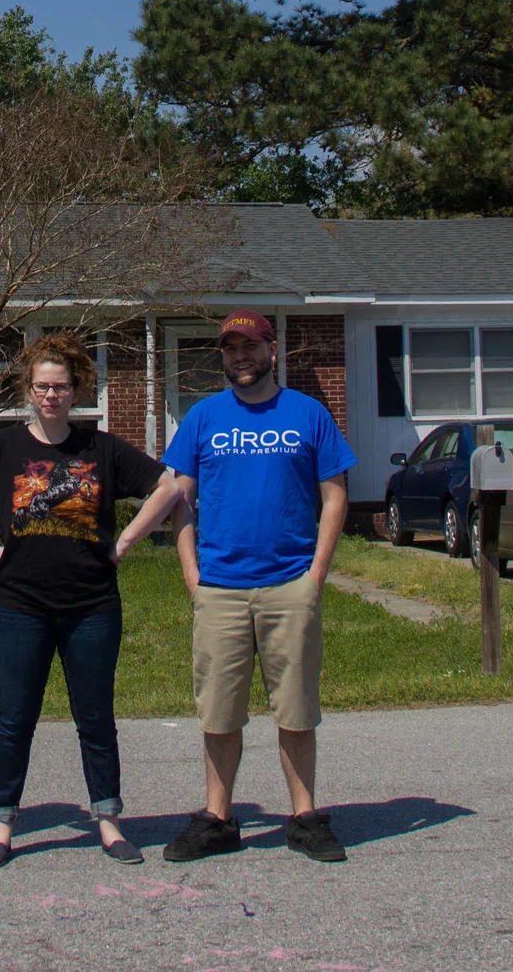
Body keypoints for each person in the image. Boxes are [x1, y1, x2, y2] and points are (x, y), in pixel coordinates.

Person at [114, 309, 353, 863]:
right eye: (230, 348)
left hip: (289, 584)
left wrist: (316, 575)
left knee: (295, 710)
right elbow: (178, 497)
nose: (240, 356)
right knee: (219, 712)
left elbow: (335, 494)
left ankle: (304, 818)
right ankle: (218, 818)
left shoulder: (308, 414)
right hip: (220, 588)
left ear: (273, 350)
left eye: (250, 346)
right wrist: (191, 574)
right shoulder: (204, 418)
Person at [0, 333, 162, 867]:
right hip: (20, 606)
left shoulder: (100, 448)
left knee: (95, 718)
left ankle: (109, 822)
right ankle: (2, 826)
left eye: (60, 386)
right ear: (29, 391)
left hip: (92, 606)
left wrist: (124, 543)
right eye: (42, 386)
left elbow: (166, 486)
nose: (51, 395)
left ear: (76, 389)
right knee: (15, 719)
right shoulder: (2, 448)